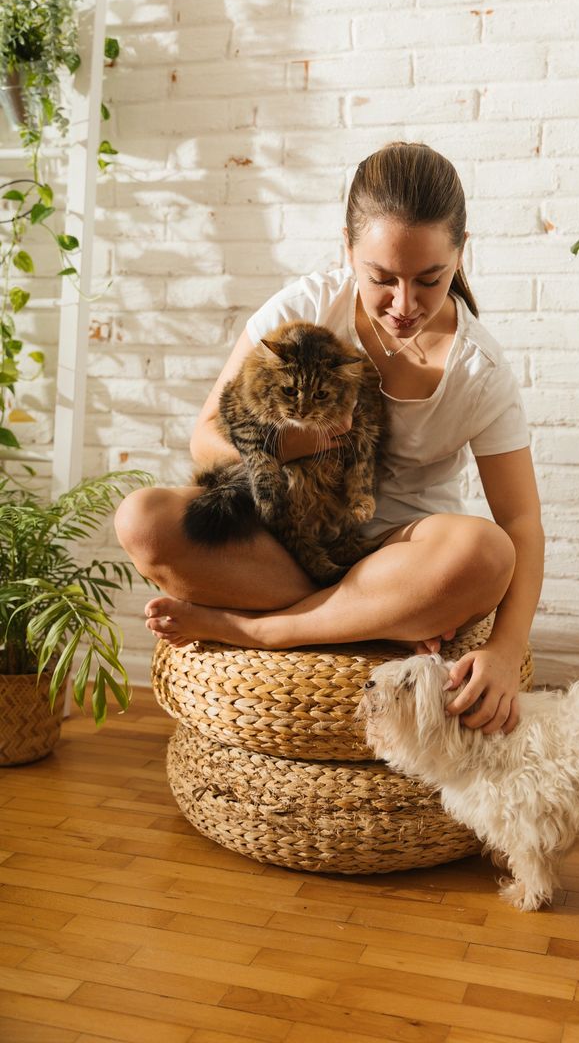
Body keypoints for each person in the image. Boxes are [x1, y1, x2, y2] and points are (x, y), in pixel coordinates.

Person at [115, 142, 544, 735]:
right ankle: (369, 621)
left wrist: (505, 648)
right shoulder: (306, 307)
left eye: (429, 279)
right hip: (289, 544)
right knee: (144, 519)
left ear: (460, 255)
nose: (403, 304)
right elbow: (206, 439)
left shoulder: (479, 371)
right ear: (348, 249)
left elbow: (520, 522)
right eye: (380, 278)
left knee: (488, 552)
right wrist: (295, 445)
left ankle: (263, 629)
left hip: (401, 560)